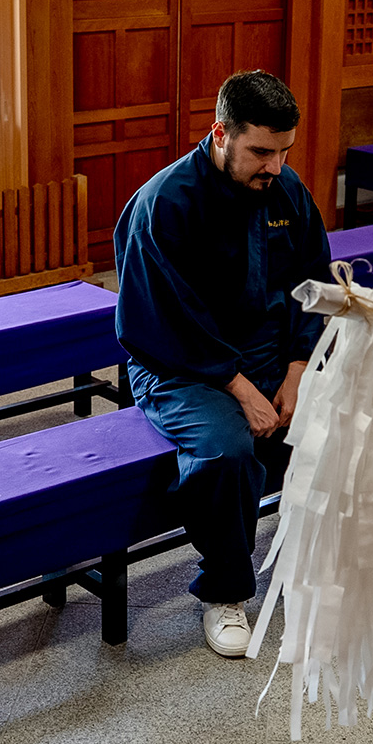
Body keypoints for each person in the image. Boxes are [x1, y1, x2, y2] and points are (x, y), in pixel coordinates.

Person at [114, 70, 333, 658]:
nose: (275, 166)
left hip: (271, 355)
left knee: (350, 418)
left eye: (284, 151)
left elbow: (313, 284)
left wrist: (298, 370)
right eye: (261, 152)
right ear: (220, 134)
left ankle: (320, 560)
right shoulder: (166, 204)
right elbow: (161, 321)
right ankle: (225, 591)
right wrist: (241, 388)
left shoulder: (285, 190)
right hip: (179, 365)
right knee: (226, 451)